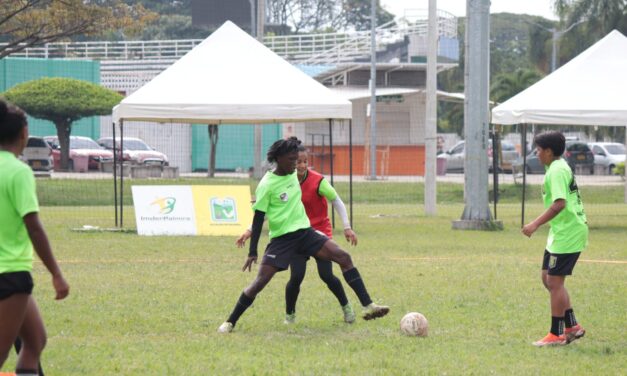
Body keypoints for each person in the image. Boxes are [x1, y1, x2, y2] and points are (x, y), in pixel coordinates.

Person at [218, 137, 388, 333]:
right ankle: (230, 322)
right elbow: (258, 219)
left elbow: (332, 197)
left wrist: (346, 225)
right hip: (282, 240)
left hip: (306, 233)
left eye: (298, 160)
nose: (296, 165)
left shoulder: (294, 174)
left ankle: (368, 306)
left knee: (343, 257)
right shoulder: (267, 184)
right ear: (279, 159)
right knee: (260, 282)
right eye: (292, 160)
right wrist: (252, 251)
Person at [236, 144, 358, 324]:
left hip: (318, 232)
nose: (300, 165)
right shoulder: (284, 180)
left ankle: (347, 308)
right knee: (296, 276)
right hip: (295, 234)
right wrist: (249, 230)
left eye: (304, 161)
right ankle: (290, 315)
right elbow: (269, 211)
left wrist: (347, 227)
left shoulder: (317, 180)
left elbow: (336, 200)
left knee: (326, 274)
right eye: (297, 161)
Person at [0, 100, 70, 373]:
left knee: (35, 340)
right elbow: (34, 226)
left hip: (9, 276)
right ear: (23, 134)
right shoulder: (18, 172)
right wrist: (56, 273)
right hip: (9, 273)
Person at [522, 131, 587, 347]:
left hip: (569, 232)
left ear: (549, 152)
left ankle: (557, 333)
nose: (537, 154)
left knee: (554, 282)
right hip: (559, 233)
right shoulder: (556, 166)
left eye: (539, 150)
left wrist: (535, 224)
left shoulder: (557, 171)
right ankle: (572, 326)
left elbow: (559, 203)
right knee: (546, 278)